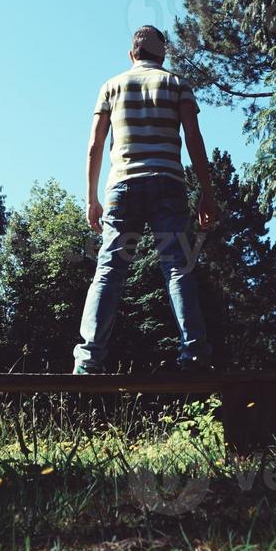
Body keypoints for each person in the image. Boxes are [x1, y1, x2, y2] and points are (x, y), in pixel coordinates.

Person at [73, 26, 218, 374]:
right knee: (177, 268)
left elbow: (95, 144)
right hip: (168, 183)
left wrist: (91, 197)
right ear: (163, 54)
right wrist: (207, 193)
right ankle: (195, 357)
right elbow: (194, 139)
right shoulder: (176, 84)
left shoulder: (111, 86)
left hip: (123, 186)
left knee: (109, 269)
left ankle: (89, 361)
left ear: (131, 54)